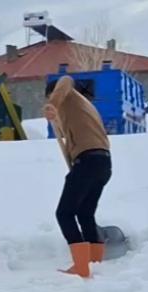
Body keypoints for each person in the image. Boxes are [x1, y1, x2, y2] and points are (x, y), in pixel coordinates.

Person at [44, 74, 113, 278]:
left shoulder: (68, 95)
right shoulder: (85, 108)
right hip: (103, 162)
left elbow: (65, 80)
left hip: (88, 161)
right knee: (85, 213)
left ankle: (81, 266)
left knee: (64, 213)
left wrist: (52, 104)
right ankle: (95, 261)